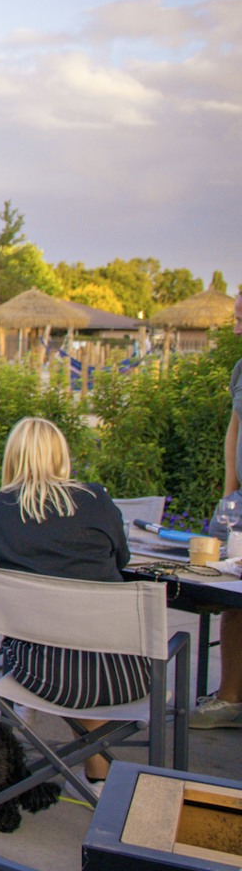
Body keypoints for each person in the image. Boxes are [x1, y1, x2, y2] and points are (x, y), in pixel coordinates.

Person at [0, 417, 148, 793]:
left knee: (54, 648)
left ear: (11, 458)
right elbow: (123, 562)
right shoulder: (96, 499)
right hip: (122, 675)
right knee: (84, 648)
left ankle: (18, 756)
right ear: (61, 456)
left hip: (36, 673)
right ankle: (99, 773)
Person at [195, 289, 242, 729]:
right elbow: (234, 430)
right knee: (231, 597)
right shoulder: (241, 370)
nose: (235, 326)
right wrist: (230, 493)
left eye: (241, 318)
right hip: (240, 505)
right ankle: (230, 698)